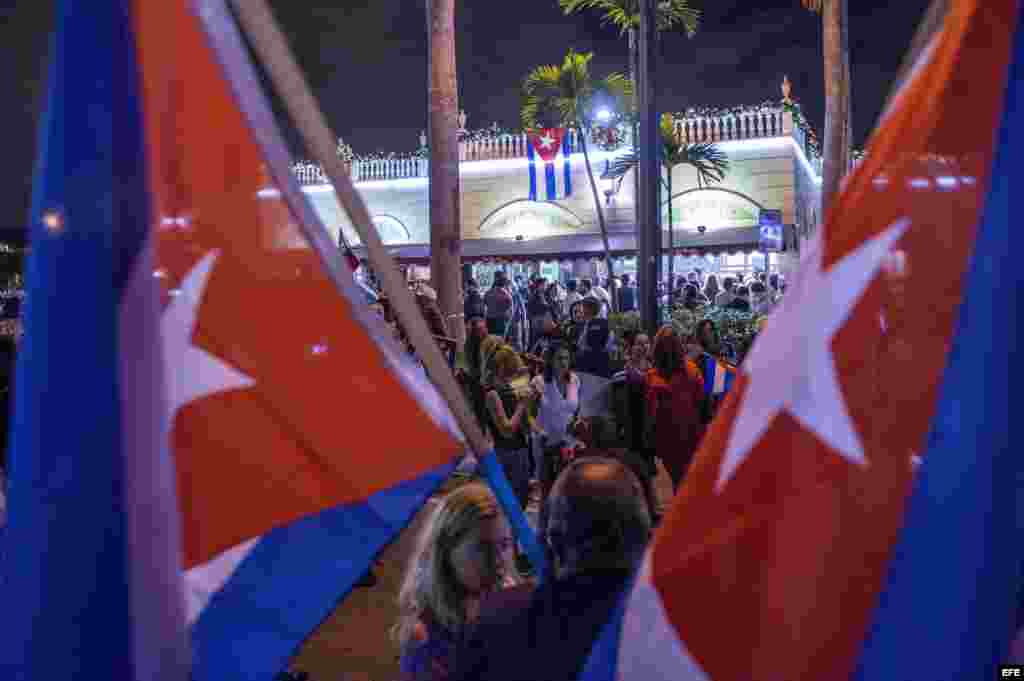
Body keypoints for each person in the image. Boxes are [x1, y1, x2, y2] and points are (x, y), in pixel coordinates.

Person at [450, 458, 651, 681]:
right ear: (646, 538)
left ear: (554, 540)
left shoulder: (496, 624)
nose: (497, 559)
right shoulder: (673, 634)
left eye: (504, 545)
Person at [395, 483, 517, 681]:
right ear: (446, 551)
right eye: (482, 548)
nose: (498, 561)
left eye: (504, 545)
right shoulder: (425, 642)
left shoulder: (507, 600)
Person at [646, 326, 706, 492]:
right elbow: (701, 402)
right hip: (691, 436)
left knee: (678, 482)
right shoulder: (692, 371)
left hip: (667, 441)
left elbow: (651, 414)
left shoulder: (652, 378)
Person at [484, 347, 538, 513]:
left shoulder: (516, 389)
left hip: (521, 452)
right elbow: (506, 430)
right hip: (504, 455)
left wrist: (532, 399)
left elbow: (529, 427)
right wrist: (522, 404)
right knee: (505, 508)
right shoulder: (492, 394)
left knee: (519, 506)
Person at [530, 343, 580, 501]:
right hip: (545, 445)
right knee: (547, 493)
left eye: (566, 358)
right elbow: (528, 417)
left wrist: (576, 427)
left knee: (568, 492)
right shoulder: (538, 382)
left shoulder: (574, 379)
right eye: (559, 358)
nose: (563, 362)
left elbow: (575, 409)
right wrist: (540, 433)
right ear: (550, 360)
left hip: (568, 444)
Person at [574, 298, 614, 378]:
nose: (582, 311)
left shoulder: (585, 325)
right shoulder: (606, 323)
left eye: (583, 308)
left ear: (588, 309)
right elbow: (610, 344)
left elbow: (580, 344)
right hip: (604, 362)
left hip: (588, 364)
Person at [484, 272, 514, 339]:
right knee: (500, 341)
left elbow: (485, 306)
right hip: (501, 321)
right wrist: (508, 321)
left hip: (490, 320)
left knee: (492, 340)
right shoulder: (507, 295)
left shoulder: (488, 293)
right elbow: (511, 310)